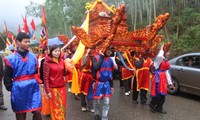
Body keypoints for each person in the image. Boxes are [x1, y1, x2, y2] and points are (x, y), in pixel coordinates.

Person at [4, 32, 42, 120]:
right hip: (19, 89)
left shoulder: (33, 57)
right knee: (21, 114)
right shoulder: (11, 59)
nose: (28, 44)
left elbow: (36, 72)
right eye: (25, 42)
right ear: (18, 42)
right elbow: (7, 78)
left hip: (33, 88)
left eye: (29, 42)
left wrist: (38, 82)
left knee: (37, 111)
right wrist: (12, 88)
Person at [92, 48, 117, 120]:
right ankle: (96, 114)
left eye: (111, 50)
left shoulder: (110, 60)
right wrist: (102, 57)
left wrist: (112, 86)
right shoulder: (96, 57)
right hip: (97, 83)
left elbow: (111, 74)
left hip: (107, 84)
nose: (110, 51)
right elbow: (96, 67)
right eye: (108, 49)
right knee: (97, 102)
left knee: (106, 102)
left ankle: (104, 117)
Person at [43, 44, 67, 120]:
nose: (57, 53)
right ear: (51, 52)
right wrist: (48, 91)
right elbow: (45, 78)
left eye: (58, 51)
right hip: (53, 89)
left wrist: (70, 69)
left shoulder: (62, 61)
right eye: (55, 51)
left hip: (62, 88)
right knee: (55, 108)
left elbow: (64, 73)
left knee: (62, 107)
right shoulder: (47, 63)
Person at [149, 44, 174, 114]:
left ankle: (159, 108)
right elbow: (160, 56)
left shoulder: (166, 61)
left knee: (163, 94)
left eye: (169, 52)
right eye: (168, 52)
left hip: (163, 79)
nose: (169, 53)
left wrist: (170, 83)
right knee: (157, 93)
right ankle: (152, 105)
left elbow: (167, 73)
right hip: (157, 78)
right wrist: (162, 49)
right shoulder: (158, 60)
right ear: (164, 52)